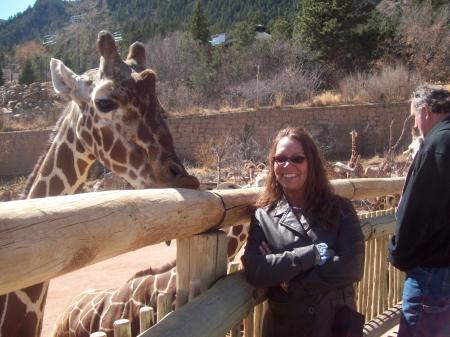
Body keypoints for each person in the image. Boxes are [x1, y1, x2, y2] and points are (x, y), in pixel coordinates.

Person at [241, 126, 365, 337]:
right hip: (285, 329)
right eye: (280, 159)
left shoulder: (340, 209)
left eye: (297, 159)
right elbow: (255, 269)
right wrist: (312, 254)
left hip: (335, 327)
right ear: (273, 165)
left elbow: (351, 266)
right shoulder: (264, 216)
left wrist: (290, 280)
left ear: (311, 163)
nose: (287, 165)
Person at [388, 85, 450, 337]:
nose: (414, 125)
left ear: (425, 111)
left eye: (414, 116)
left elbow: (418, 211)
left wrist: (398, 252)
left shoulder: (439, 144)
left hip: (432, 271)